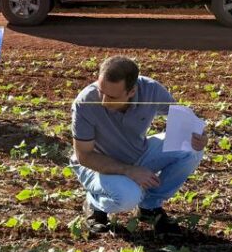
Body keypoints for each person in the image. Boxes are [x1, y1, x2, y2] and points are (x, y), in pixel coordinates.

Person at [70, 56, 207, 236]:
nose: (103, 100)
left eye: (111, 96)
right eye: (101, 90)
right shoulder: (85, 103)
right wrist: (129, 171)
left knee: (190, 148)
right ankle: (95, 203)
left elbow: (182, 117)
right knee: (128, 197)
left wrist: (200, 136)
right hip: (97, 167)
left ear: (132, 91)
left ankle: (149, 206)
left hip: (137, 154)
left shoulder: (151, 90)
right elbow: (84, 156)